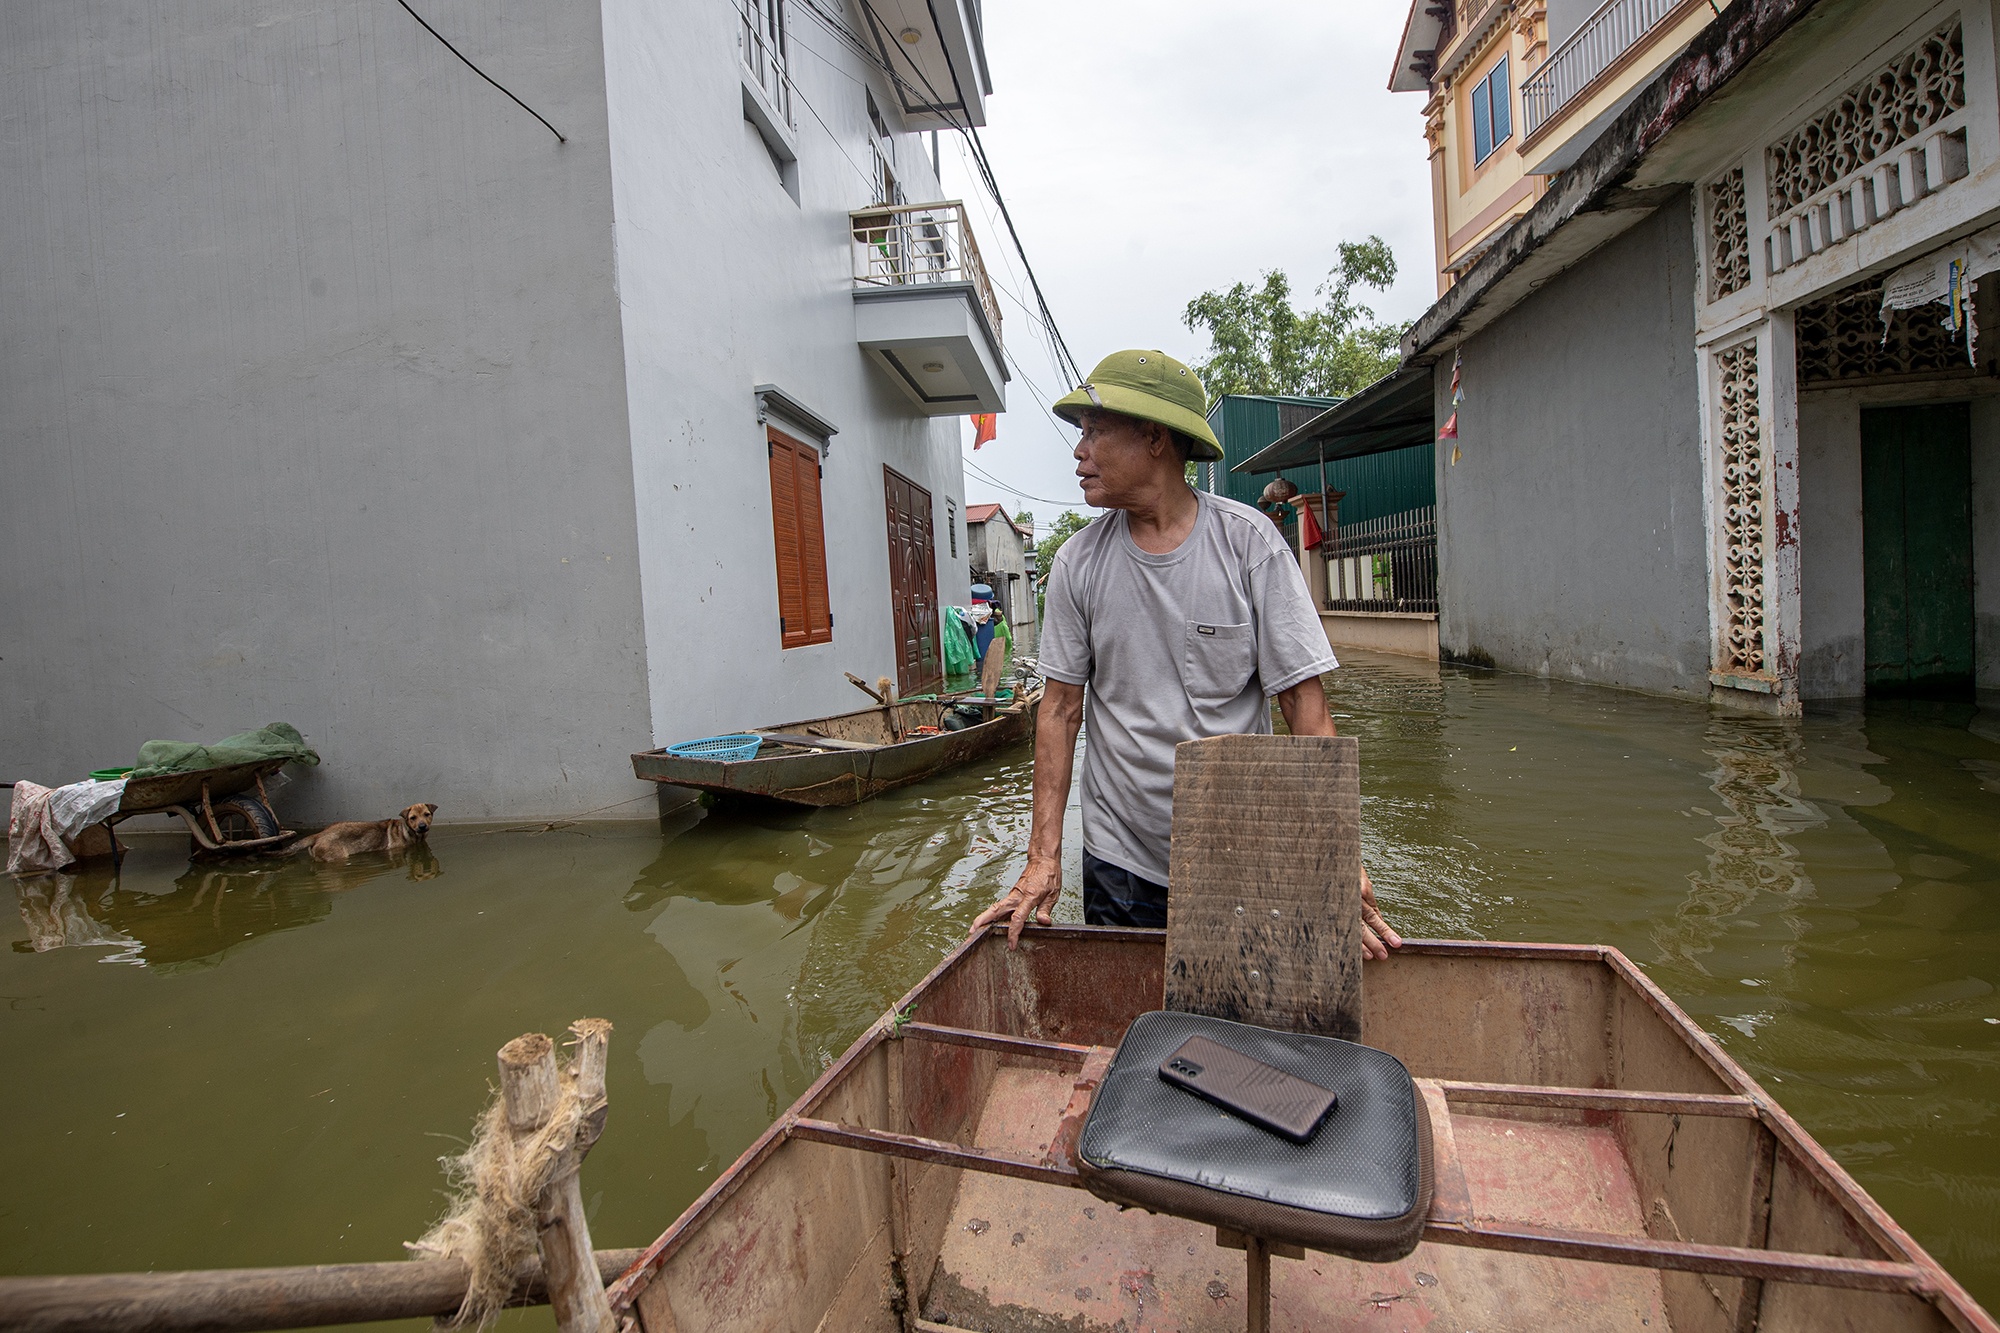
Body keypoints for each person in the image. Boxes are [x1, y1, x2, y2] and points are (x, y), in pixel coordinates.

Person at [970, 349, 1400, 955]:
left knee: (1237, 1031)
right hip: (1121, 862)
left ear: (1153, 438)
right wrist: (1043, 856)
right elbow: (1061, 711)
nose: (1078, 450)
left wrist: (1334, 856)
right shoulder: (1077, 563)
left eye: (1094, 431)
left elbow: (1305, 708)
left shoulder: (1249, 544)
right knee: (1137, 1031)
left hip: (1242, 852)